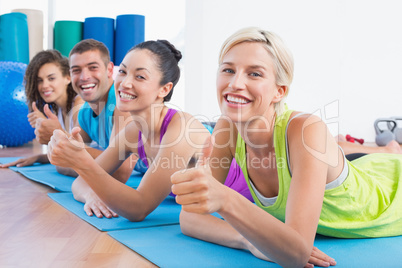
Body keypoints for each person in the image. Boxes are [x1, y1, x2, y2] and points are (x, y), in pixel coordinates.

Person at [171, 27, 402, 268]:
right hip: (364, 170)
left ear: (279, 91)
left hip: (393, 195)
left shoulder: (307, 129)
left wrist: (226, 200)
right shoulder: (227, 128)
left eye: (255, 74)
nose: (235, 83)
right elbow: (189, 218)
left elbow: (296, 254)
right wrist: (248, 240)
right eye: (228, 70)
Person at [47, 39, 211, 221]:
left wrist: (82, 162)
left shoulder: (181, 129)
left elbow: (139, 208)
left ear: (164, 89)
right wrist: (91, 195)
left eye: (140, 76)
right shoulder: (133, 131)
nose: (124, 83)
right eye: (123, 72)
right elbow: (79, 183)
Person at [0, 49, 85, 168]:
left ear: (67, 78)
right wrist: (37, 158)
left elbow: (81, 152)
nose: (44, 85)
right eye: (40, 80)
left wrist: (54, 132)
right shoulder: (58, 109)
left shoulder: (79, 104)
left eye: (51, 78)